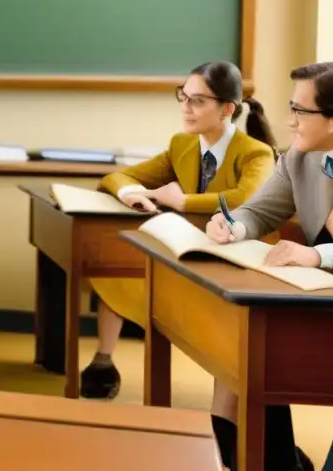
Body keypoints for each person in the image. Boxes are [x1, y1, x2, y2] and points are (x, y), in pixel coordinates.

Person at [79, 61, 308, 470]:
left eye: (197, 100)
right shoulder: (182, 145)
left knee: (233, 360)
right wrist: (134, 193)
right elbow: (118, 176)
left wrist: (181, 200)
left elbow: (245, 199)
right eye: (182, 97)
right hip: (198, 262)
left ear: (227, 110)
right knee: (217, 353)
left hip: (247, 270)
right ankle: (235, 447)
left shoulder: (254, 151)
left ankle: (254, 452)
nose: (185, 107)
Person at [208, 62, 333, 471]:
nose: (287, 120)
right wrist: (233, 225)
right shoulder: (300, 159)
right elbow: (260, 211)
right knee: (247, 351)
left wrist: (316, 255)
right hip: (320, 302)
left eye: (300, 110)